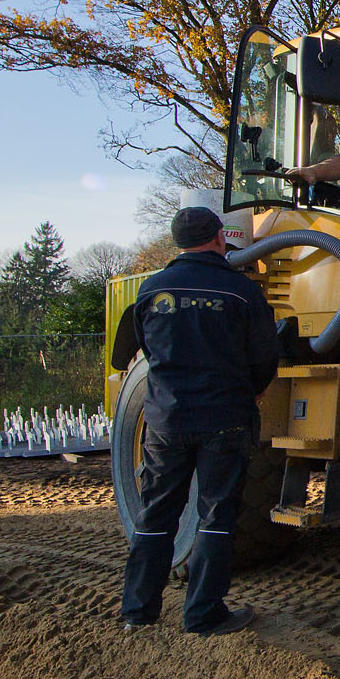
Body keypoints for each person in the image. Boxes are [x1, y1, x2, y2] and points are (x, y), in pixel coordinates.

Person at [119, 206, 279, 636]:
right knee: (215, 515)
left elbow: (148, 355)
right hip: (225, 419)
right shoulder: (241, 292)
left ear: (177, 242)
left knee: (156, 514)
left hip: (166, 422)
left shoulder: (151, 290)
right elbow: (265, 357)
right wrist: (253, 388)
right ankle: (203, 614)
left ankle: (138, 612)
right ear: (219, 238)